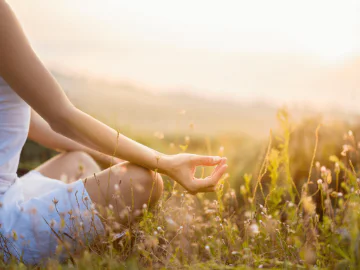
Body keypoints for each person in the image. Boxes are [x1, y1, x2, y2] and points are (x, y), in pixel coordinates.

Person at [0, 0, 228, 265]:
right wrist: (164, 163)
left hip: (11, 192)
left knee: (79, 161)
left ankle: (84, 248)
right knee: (144, 182)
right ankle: (92, 257)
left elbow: (35, 127)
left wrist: (119, 159)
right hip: (5, 220)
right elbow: (61, 117)